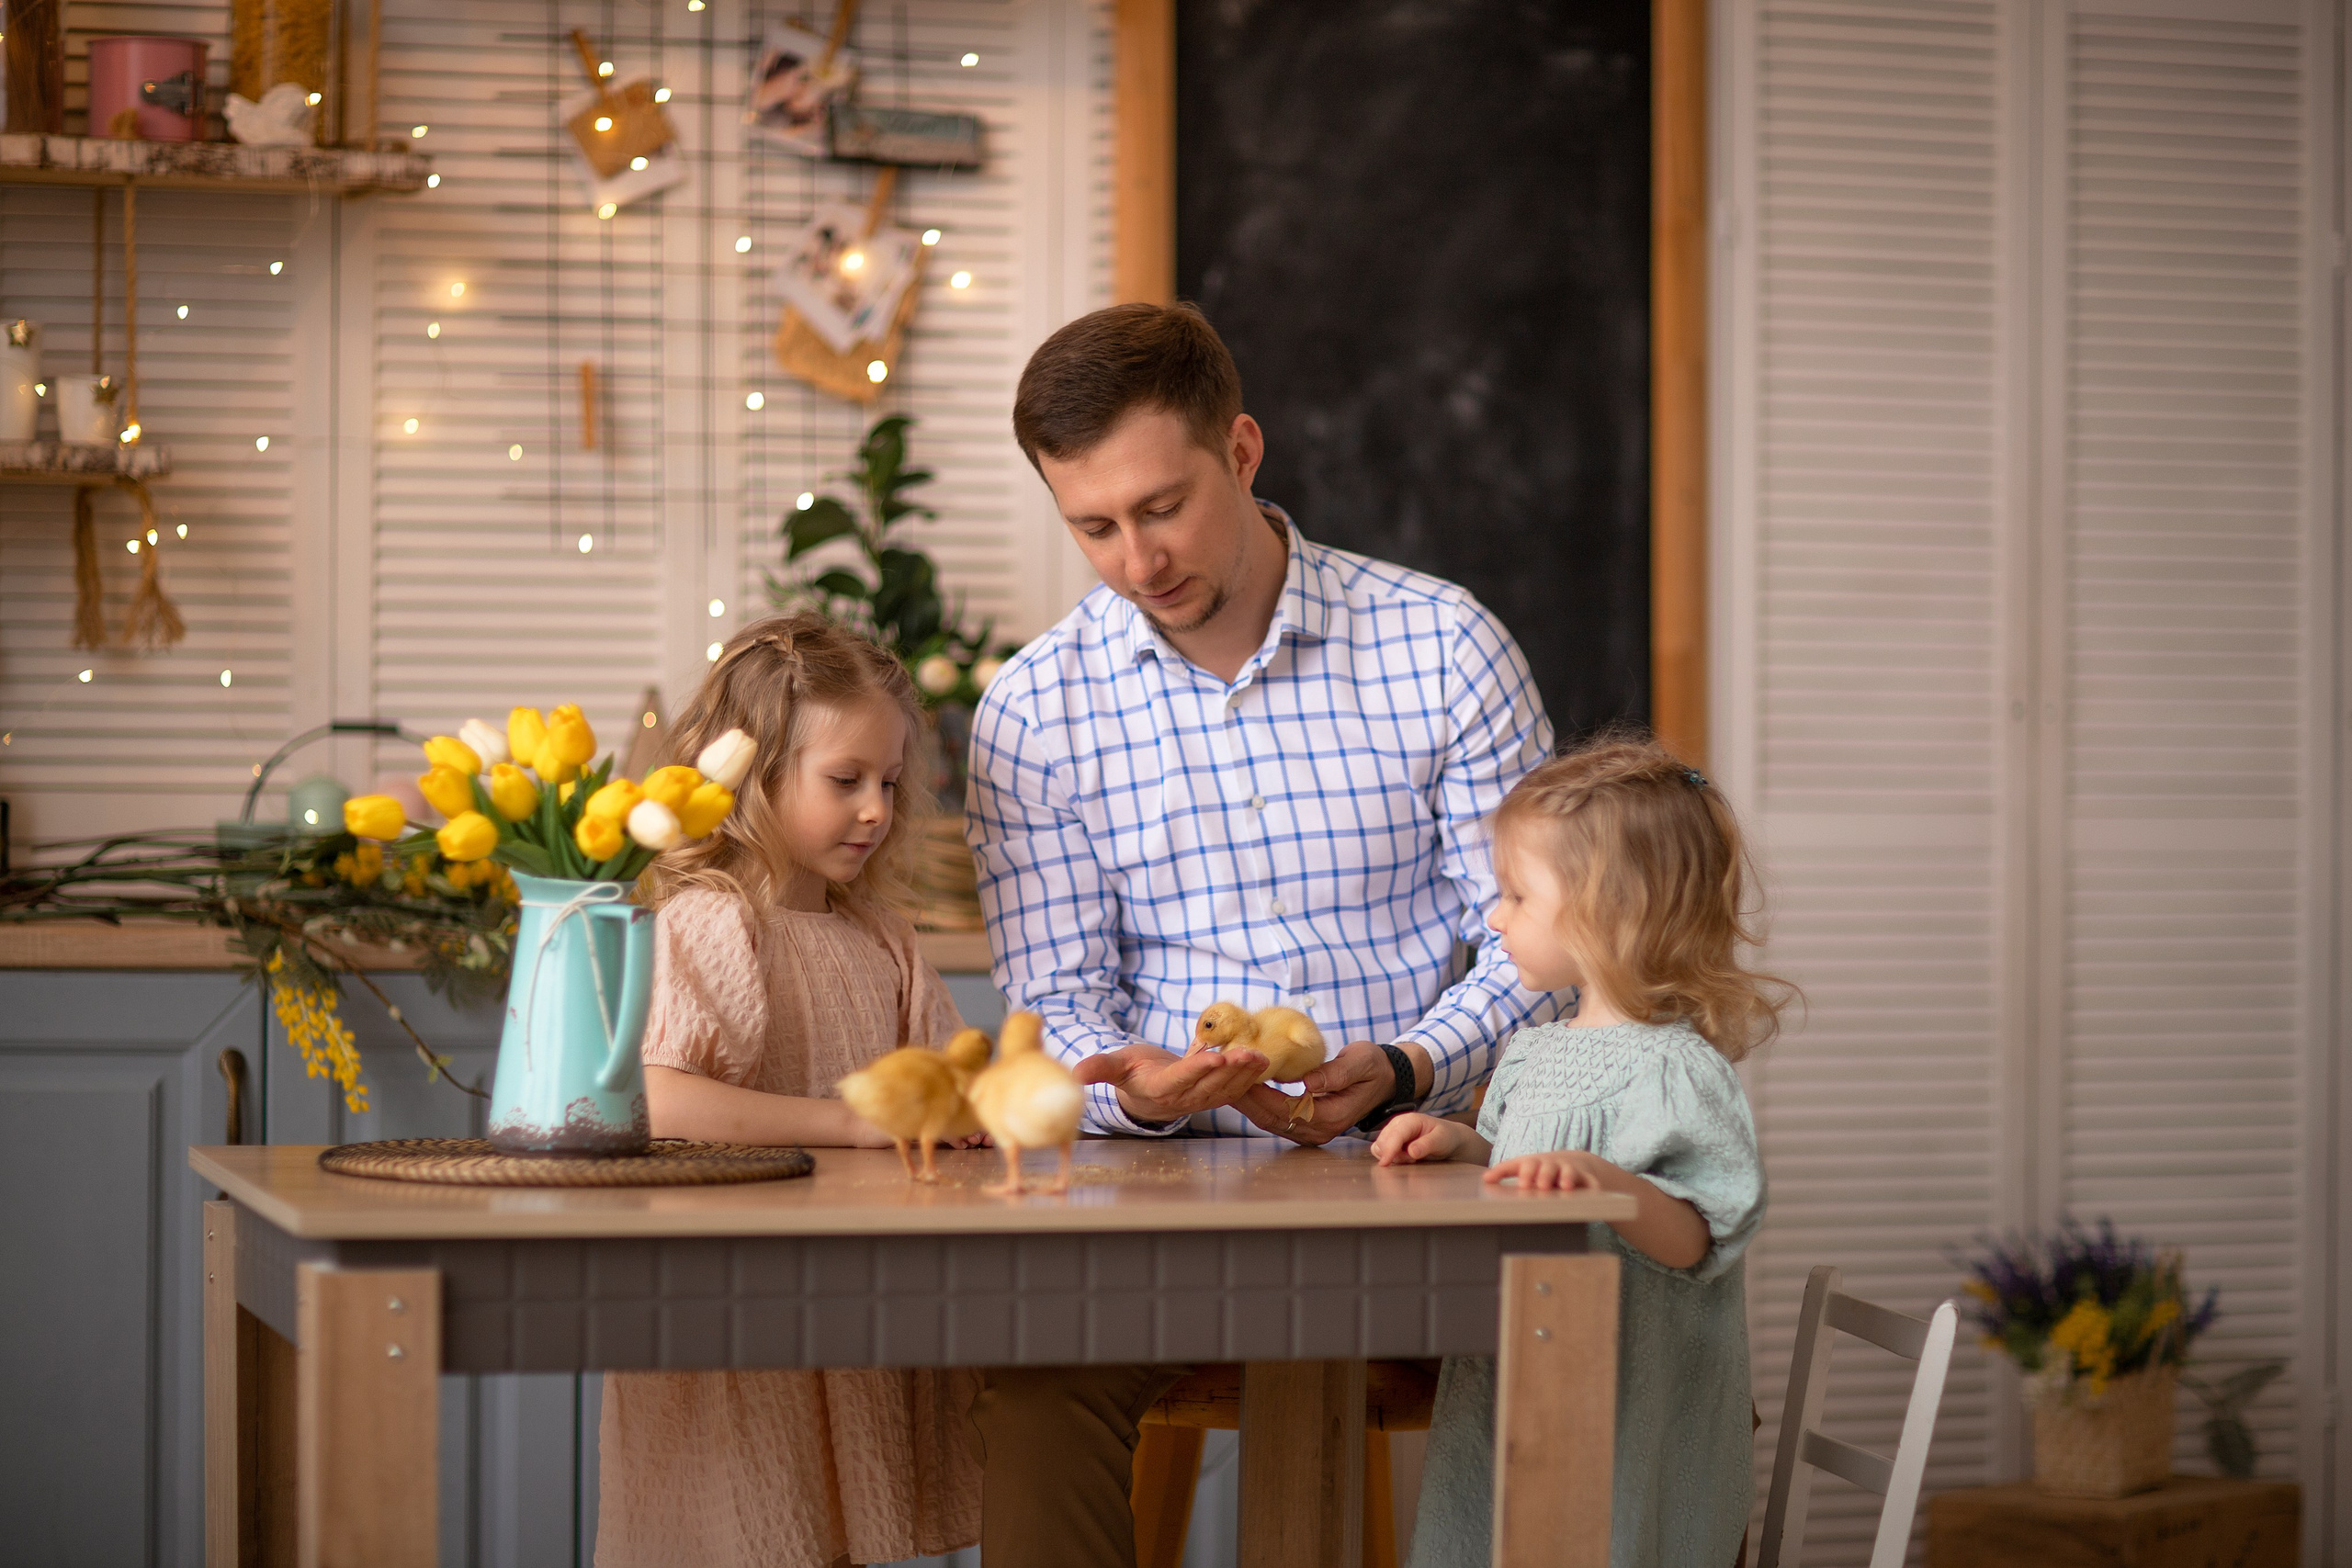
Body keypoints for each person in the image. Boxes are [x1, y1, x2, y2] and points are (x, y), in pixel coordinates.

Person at [960, 301, 1565, 1565]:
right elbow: (1056, 1007)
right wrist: (1149, 1095)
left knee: (1609, 1347)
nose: (1137, 559)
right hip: (1161, 1198)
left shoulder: (1443, 645)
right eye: (1094, 526)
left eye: (1163, 505)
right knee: (1033, 1389)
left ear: (1241, 450)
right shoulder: (1032, 711)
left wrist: (1403, 1064)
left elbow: (1551, 950)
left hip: (1420, 1166)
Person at [595, 614, 980, 1568]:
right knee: (750, 1531)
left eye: (889, 783)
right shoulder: (715, 922)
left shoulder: (883, 938)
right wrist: (851, 1126)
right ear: (751, 778)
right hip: (738, 1314)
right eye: (843, 781)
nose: (876, 810)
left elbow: (940, 1078)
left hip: (855, 1307)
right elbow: (658, 1101)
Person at [1374, 735, 1783, 1568]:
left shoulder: (1677, 1068)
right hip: (1530, 1363)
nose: (1494, 917)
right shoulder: (1537, 1048)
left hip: (1629, 1394)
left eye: (1518, 895)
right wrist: (1464, 1144)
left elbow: (1701, 1233)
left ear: (1610, 910)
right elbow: (1529, 1160)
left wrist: (1610, 1184)